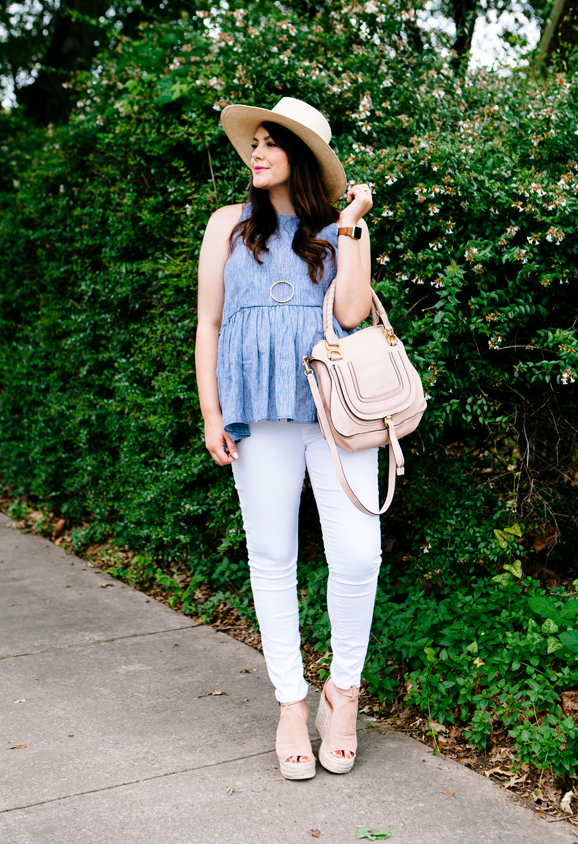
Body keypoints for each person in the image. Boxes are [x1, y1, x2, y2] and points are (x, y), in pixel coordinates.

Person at [195, 97, 381, 779]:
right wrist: (212, 414)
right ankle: (292, 704)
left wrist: (354, 229)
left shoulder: (338, 233)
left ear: (300, 158)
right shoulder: (225, 226)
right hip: (257, 416)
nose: (258, 151)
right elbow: (209, 325)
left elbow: (355, 315)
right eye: (256, 141)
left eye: (273, 143)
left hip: (336, 418)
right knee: (272, 557)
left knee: (359, 555)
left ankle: (345, 692)